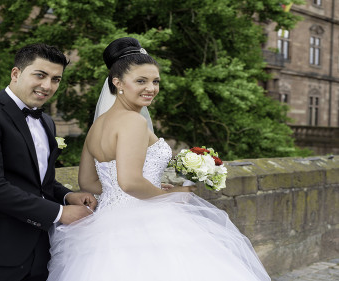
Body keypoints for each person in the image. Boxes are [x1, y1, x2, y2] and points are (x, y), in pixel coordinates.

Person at [47, 37, 271, 281]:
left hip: (105, 222)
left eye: (155, 81)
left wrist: (147, 188)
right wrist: (170, 196)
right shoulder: (133, 121)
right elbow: (130, 182)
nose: (151, 88)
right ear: (118, 82)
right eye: (141, 81)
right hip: (144, 223)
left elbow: (88, 182)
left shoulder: (97, 126)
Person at [0, 43, 97, 281]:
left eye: (56, 79)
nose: (47, 86)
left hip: (39, 249)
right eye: (40, 75)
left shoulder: (47, 121)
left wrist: (67, 196)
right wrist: (60, 213)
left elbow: (38, 181)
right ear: (16, 74)